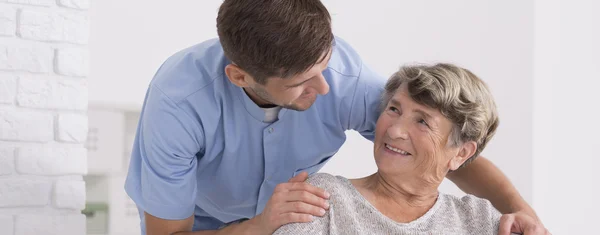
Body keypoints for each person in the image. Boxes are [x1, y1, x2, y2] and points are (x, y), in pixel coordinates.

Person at [124, 0, 548, 234]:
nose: (325, 89)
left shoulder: (343, 77)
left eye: (323, 67)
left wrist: (524, 214)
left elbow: (441, 149)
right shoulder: (179, 105)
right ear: (241, 77)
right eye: (303, 83)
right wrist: (258, 227)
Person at [274, 63, 521, 235]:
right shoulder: (322, 199)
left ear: (461, 153)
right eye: (394, 109)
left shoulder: (479, 220)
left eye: (422, 121)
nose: (394, 131)